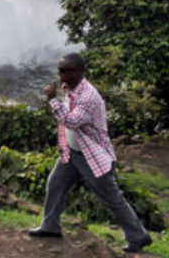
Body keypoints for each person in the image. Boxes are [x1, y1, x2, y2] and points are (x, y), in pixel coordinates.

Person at [29, 52, 152, 253]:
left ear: (77, 72)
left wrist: (52, 100)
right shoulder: (70, 87)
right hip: (72, 153)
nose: (59, 75)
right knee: (55, 184)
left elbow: (72, 121)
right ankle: (50, 226)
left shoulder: (88, 96)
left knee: (111, 198)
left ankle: (139, 236)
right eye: (59, 70)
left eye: (63, 71)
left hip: (91, 157)